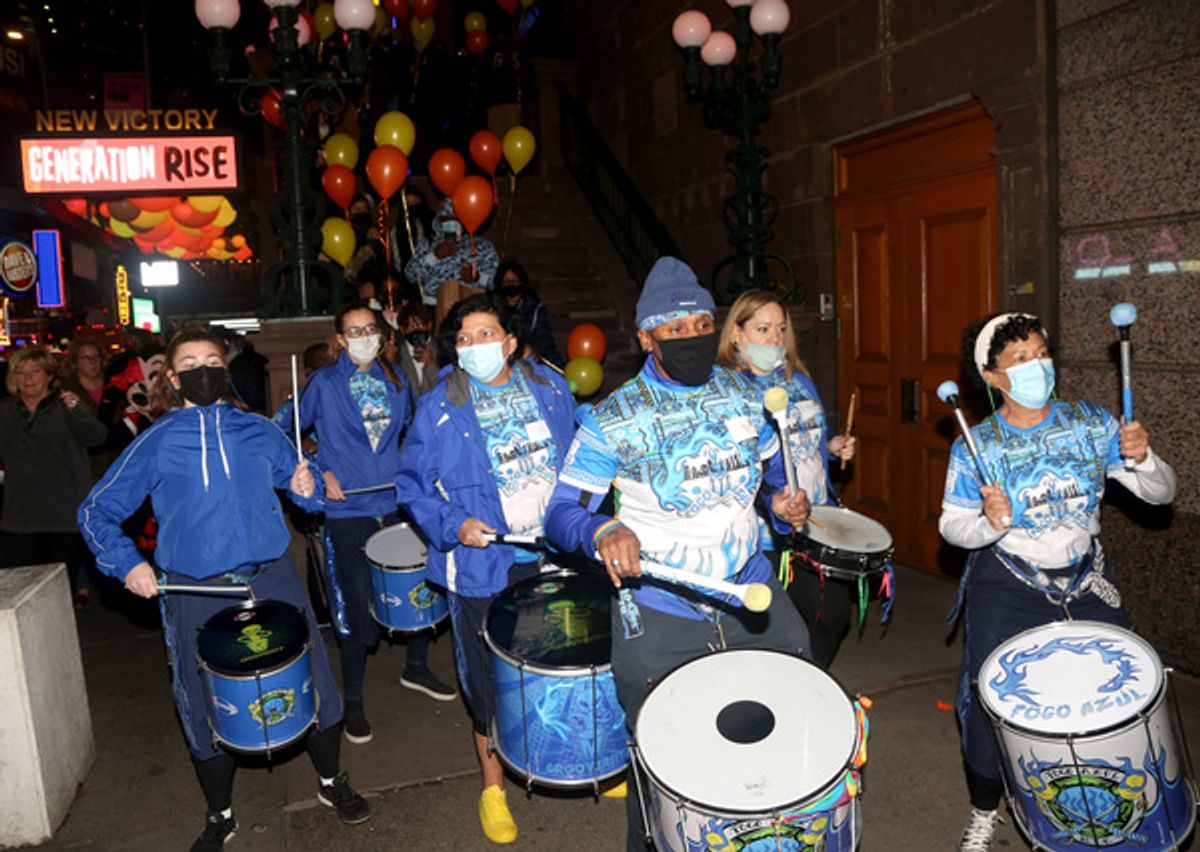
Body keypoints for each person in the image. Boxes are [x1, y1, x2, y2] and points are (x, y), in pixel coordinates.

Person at [543, 257, 814, 851]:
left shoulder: (747, 398)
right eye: (675, 329)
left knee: (783, 737)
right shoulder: (613, 417)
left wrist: (784, 504)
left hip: (753, 598)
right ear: (646, 338)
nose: (691, 337)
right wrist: (602, 532)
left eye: (699, 325)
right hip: (663, 612)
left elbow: (771, 480)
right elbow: (561, 512)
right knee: (665, 767)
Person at [77, 327, 371, 852]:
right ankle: (221, 814)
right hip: (194, 590)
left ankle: (332, 782)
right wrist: (128, 565)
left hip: (272, 576)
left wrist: (308, 488)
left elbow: (304, 486)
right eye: (189, 362)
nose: (202, 369)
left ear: (225, 368)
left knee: (313, 679)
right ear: (172, 377)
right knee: (201, 697)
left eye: (211, 360)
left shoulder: (259, 430)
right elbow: (96, 511)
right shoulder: (157, 440)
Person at [939, 312, 1176, 852]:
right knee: (989, 701)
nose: (1036, 365)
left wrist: (1144, 459)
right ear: (993, 377)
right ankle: (983, 809)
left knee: (1121, 690)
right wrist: (988, 522)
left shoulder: (1091, 423)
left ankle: (1119, 799)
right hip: (1008, 584)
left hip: (1085, 579)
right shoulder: (976, 445)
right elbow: (952, 528)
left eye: (1041, 352)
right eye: (1020, 359)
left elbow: (1161, 496)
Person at [395, 292, 576, 845]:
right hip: (483, 568)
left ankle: (568, 756)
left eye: (486, 334)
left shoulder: (550, 387)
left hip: (552, 557)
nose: (474, 345)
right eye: (465, 338)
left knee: (559, 664)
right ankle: (493, 787)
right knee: (487, 684)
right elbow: (412, 487)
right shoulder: (440, 406)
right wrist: (454, 525)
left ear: (511, 341)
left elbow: (577, 460)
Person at [298, 302, 457, 747]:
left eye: (370, 328)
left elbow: (416, 435)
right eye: (353, 330)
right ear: (340, 339)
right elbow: (285, 429)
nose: (363, 336)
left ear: (382, 334)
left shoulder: (397, 379)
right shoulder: (324, 383)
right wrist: (316, 466)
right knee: (355, 601)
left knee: (419, 586)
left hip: (397, 501)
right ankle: (351, 700)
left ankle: (418, 667)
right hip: (348, 510)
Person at [716, 289, 857, 668]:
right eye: (762, 329)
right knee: (782, 626)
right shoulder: (729, 391)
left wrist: (831, 446)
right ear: (736, 334)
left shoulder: (798, 380)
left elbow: (806, 439)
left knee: (832, 616)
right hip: (767, 532)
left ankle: (809, 682)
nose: (775, 338)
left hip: (818, 518)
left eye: (780, 329)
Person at [0, 348, 107, 609]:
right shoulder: (4, 410)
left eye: (35, 372)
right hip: (20, 517)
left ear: (49, 376)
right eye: (21, 373)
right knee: (19, 594)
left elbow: (99, 437)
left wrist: (78, 410)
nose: (27, 378)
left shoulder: (65, 405)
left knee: (55, 595)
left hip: (63, 516)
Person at [403, 197, 500, 326]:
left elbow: (498, 282)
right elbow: (410, 276)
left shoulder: (482, 246)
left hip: (473, 310)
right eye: (445, 220)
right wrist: (434, 256)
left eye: (455, 220)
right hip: (434, 310)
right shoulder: (428, 244)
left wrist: (477, 277)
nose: (450, 224)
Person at [496, 260, 566, 368]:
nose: (511, 285)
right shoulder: (493, 310)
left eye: (515, 281)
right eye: (507, 282)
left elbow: (545, 343)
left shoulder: (535, 310)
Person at [59, 337, 106, 411]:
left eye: (96, 356)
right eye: (86, 358)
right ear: (75, 362)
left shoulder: (113, 384)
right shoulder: (68, 390)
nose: (92, 362)